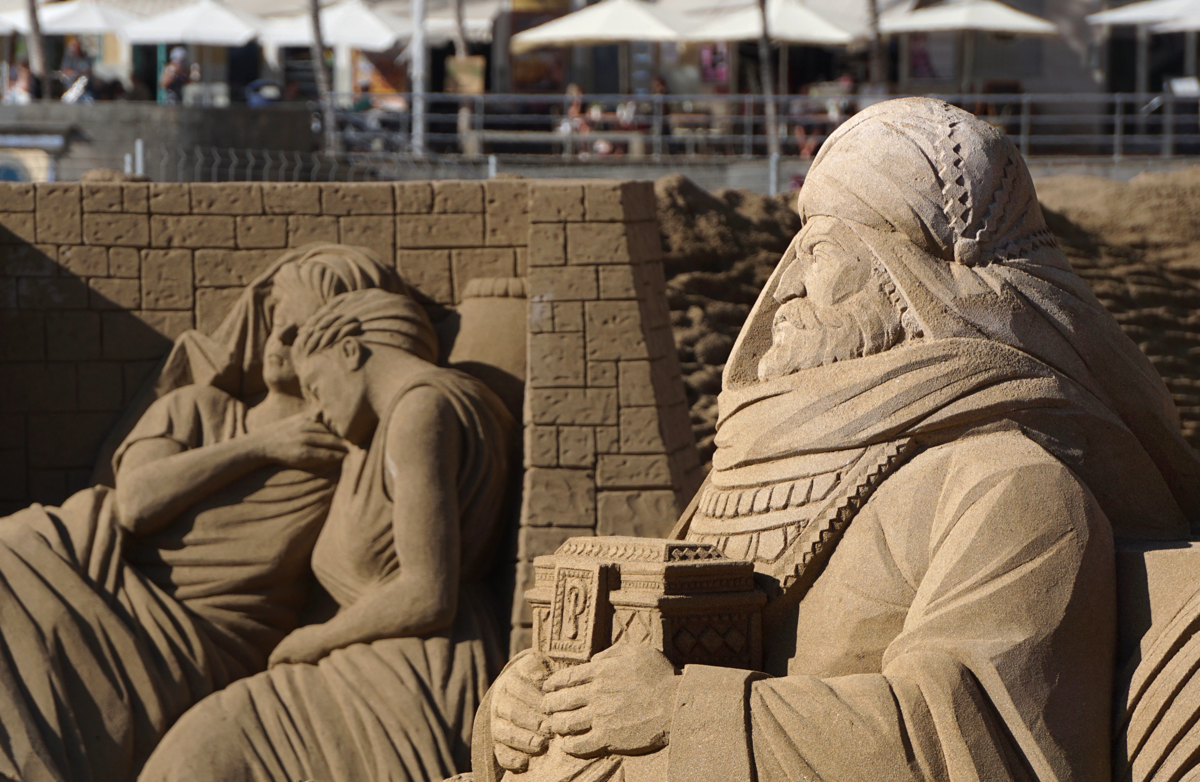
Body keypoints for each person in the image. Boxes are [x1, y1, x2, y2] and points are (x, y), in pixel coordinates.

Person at [483, 97, 1200, 782]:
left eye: (821, 253)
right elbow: (632, 671)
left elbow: (974, 743)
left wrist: (684, 712)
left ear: (904, 280)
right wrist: (527, 707)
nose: (782, 286)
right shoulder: (756, 463)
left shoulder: (1007, 485)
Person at [0, 244, 404, 782]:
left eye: (299, 330)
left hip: (189, 642)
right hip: (90, 570)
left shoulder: (344, 461)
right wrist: (262, 447)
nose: (279, 342)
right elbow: (135, 503)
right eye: (275, 325)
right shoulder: (196, 408)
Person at [138, 288, 516, 782]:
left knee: (202, 755)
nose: (316, 410)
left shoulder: (420, 409)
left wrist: (316, 638)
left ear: (349, 350)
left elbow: (427, 594)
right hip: (391, 655)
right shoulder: (420, 411)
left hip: (410, 669)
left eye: (314, 386)